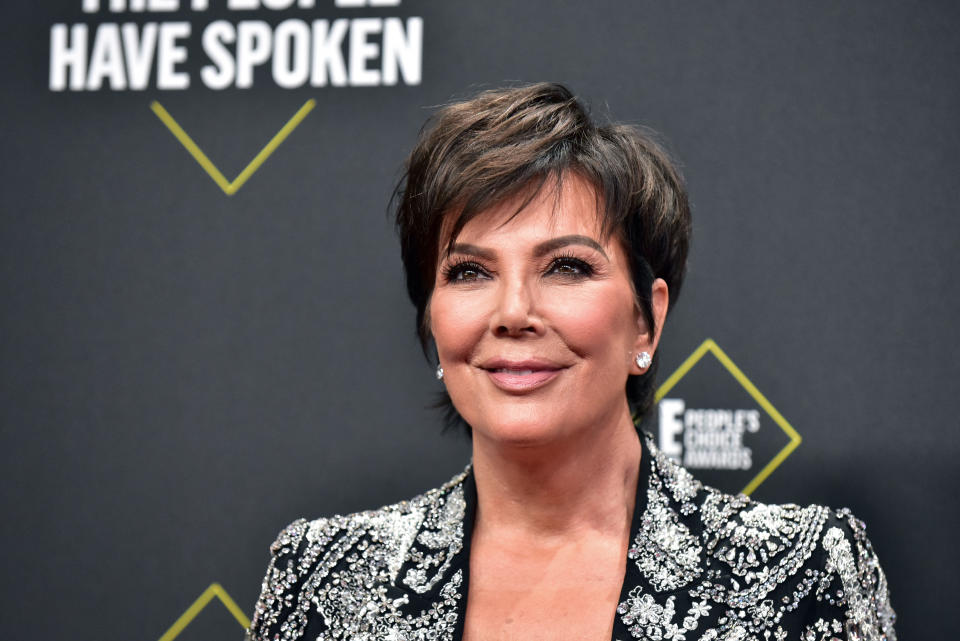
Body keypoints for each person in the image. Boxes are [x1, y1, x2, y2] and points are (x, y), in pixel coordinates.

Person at [246, 83, 896, 641]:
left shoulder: (806, 573)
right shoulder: (319, 579)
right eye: (470, 271)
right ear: (431, 317)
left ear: (648, 317)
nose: (514, 310)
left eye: (566, 266)